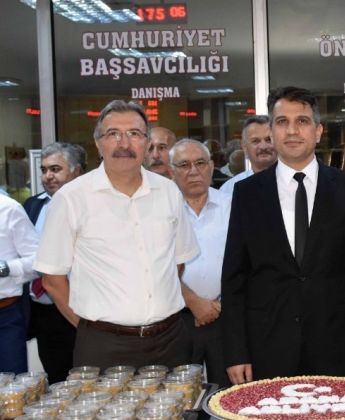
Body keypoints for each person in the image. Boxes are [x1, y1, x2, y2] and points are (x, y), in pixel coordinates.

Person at [221, 86, 345, 383]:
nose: (292, 131)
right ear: (271, 131)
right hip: (268, 349)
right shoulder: (247, 194)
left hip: (339, 346)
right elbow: (235, 280)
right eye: (282, 122)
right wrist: (235, 351)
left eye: (302, 121)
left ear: (318, 131)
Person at [33, 100, 199, 369]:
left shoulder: (168, 191)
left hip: (170, 340)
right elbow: (52, 279)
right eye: (113, 134)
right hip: (104, 346)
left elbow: (177, 263)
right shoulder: (71, 198)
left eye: (134, 133)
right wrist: (91, 328)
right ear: (98, 143)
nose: (124, 143)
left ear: (146, 142)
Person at [170, 138, 231, 387]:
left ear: (212, 166)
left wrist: (218, 305)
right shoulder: (161, 211)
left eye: (200, 163)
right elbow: (153, 267)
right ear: (171, 171)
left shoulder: (232, 206)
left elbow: (248, 263)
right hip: (178, 319)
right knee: (181, 394)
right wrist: (193, 302)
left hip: (226, 316)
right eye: (184, 165)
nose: (193, 171)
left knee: (227, 394)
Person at [24, 142, 84, 383]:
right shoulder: (32, 205)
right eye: (44, 169)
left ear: (76, 171)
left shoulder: (89, 206)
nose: (48, 176)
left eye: (56, 169)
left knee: (86, 378)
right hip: (44, 310)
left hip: (78, 305)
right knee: (57, 380)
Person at [1, 194, 39, 373]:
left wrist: (6, 268)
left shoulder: (8, 209)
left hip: (4, 317)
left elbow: (38, 260)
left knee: (12, 385)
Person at [219, 116, 276, 197]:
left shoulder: (293, 183)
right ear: (245, 147)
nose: (263, 146)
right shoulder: (230, 190)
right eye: (255, 141)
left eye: (269, 140)